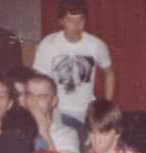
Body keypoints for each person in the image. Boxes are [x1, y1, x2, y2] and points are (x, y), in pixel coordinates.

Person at [32, 0, 115, 141]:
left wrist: (105, 107)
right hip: (58, 112)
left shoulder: (96, 45)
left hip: (87, 113)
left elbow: (109, 72)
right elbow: (37, 81)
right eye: (70, 20)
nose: (76, 26)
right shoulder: (48, 44)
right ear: (61, 21)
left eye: (80, 19)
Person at [24, 73, 79, 153]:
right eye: (30, 95)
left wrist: (44, 133)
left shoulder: (67, 133)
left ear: (54, 101)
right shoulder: (15, 129)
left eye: (41, 96)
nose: (34, 101)